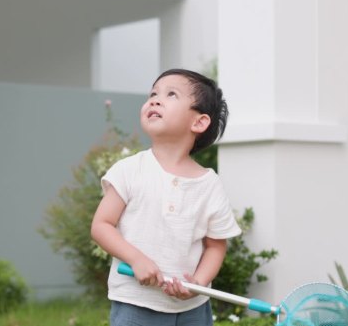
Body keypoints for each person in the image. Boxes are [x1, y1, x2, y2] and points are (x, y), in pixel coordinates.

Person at [91, 68, 242, 326]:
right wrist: (136, 259)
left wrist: (199, 283)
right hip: (136, 302)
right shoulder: (129, 170)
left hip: (193, 308)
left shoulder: (209, 184)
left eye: (171, 94)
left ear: (199, 122)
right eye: (153, 94)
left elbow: (216, 245)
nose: (155, 99)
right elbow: (101, 225)